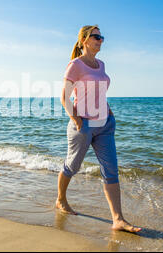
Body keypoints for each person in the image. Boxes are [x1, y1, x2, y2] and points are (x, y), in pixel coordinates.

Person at [55, 24, 142, 233]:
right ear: (84, 40)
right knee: (72, 166)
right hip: (83, 125)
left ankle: (118, 219)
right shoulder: (75, 65)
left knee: (111, 171)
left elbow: (99, 93)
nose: (101, 40)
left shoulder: (101, 65)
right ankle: (60, 200)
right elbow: (64, 97)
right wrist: (76, 120)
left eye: (102, 37)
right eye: (96, 36)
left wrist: (109, 112)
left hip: (104, 124)